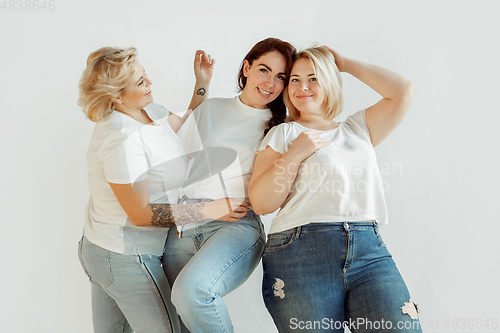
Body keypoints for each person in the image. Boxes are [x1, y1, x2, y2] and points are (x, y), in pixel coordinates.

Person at [249, 45, 421, 332]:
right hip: (300, 252)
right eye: (294, 79)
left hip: (368, 250)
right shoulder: (284, 133)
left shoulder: (358, 129)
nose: (302, 87)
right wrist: (294, 154)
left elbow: (403, 91)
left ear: (330, 80)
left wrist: (344, 62)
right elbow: (262, 202)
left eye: (313, 78)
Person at [77, 46, 247, 333]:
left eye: (146, 75)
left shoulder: (147, 111)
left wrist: (201, 83)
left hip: (103, 249)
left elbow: (184, 126)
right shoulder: (121, 140)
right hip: (124, 256)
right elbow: (141, 214)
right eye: (141, 82)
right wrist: (212, 209)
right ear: (116, 96)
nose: (150, 83)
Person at [162, 38, 296, 333]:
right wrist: (202, 83)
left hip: (235, 224)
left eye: (281, 77)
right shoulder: (211, 108)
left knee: (192, 293)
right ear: (246, 68)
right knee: (180, 321)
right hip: (185, 222)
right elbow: (181, 147)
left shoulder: (282, 127)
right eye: (264, 70)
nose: (270, 83)